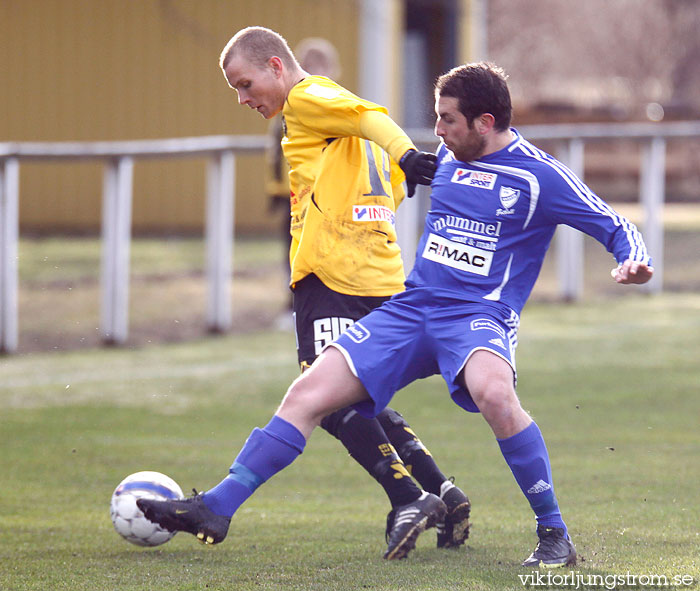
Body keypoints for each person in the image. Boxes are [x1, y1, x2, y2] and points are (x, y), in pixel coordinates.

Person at [139, 60, 653, 566]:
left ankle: (554, 534)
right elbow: (376, 189)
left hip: (477, 316)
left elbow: (612, 222)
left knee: (495, 393)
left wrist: (633, 259)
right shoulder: (445, 161)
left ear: (486, 123)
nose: (437, 130)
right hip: (411, 308)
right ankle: (217, 508)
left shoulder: (539, 176)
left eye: (447, 119)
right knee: (307, 393)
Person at [138, 27, 472, 560]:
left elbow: (370, 117)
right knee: (354, 398)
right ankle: (444, 493)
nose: (244, 99)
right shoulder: (329, 121)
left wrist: (408, 155)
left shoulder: (308, 98)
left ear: (276, 66)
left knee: (322, 399)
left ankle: (408, 497)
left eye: (244, 84)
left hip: (336, 280)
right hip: (375, 278)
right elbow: (385, 180)